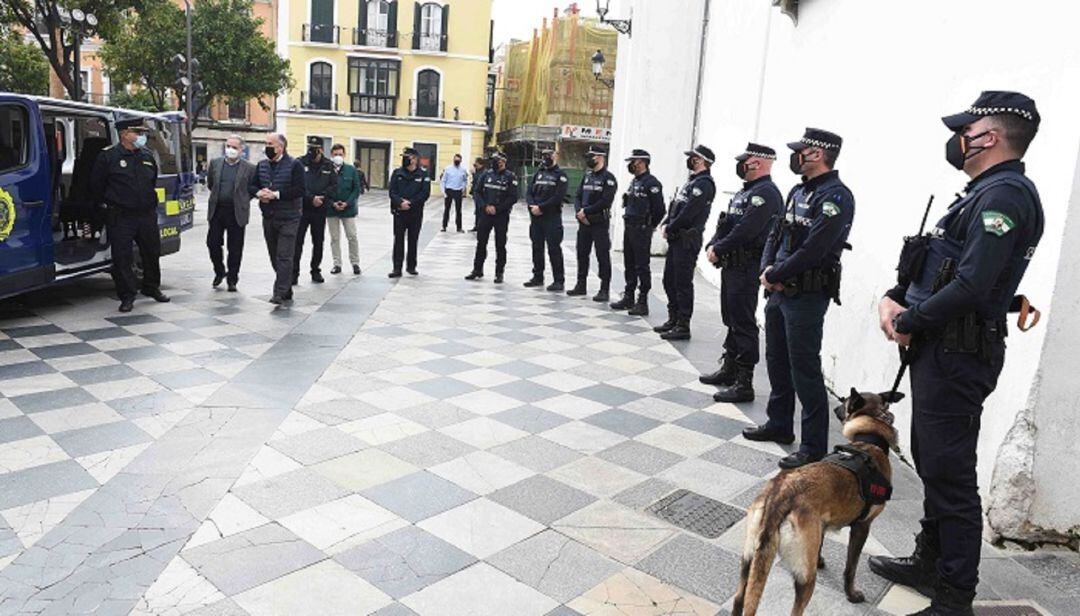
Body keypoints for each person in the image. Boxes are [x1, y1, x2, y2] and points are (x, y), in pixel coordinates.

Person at [870, 92, 1044, 616]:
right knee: (934, 461)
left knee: (951, 475)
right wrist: (898, 295)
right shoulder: (984, 192)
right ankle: (930, 561)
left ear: (988, 137)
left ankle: (954, 597)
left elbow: (971, 286)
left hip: (958, 352)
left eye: (966, 129)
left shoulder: (1004, 196)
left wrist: (908, 320)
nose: (958, 138)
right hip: (944, 348)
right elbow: (946, 271)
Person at [741, 128, 854, 470]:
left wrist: (774, 274)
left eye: (800, 151)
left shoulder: (836, 197)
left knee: (804, 368)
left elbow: (815, 249)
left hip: (806, 295)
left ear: (817, 154)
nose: (796, 156)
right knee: (776, 360)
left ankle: (813, 445)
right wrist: (767, 268)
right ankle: (779, 422)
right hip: (778, 291)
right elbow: (776, 234)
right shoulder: (797, 190)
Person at [700, 143, 783, 402]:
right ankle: (730, 368)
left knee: (743, 321)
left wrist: (720, 248)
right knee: (731, 317)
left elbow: (747, 229)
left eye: (744, 161)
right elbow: (727, 223)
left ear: (756, 162)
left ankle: (744, 382)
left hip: (746, 266)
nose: (741, 165)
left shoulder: (766, 194)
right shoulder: (744, 192)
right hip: (732, 265)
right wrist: (713, 244)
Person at [89, 117, 171, 313]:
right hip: (121, 216)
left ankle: (151, 287)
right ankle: (127, 295)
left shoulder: (147, 155)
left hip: (146, 215)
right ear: (125, 134)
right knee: (122, 257)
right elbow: (96, 186)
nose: (142, 136)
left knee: (151, 252)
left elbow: (151, 182)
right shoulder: (108, 156)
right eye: (138, 132)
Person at [654, 145, 717, 340]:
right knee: (669, 280)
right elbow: (676, 207)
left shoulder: (704, 184)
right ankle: (673, 318)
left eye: (693, 158)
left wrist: (670, 227)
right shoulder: (691, 182)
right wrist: (666, 223)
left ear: (701, 160)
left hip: (686, 239)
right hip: (676, 238)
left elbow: (689, 212)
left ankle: (683, 324)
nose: (690, 160)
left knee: (682, 283)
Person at [250, 133, 305, 304]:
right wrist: (259, 193)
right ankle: (286, 287)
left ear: (281, 147)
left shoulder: (295, 165)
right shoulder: (262, 165)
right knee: (274, 255)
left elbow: (300, 190)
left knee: (284, 255)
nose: (267, 147)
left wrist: (276, 195)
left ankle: (279, 292)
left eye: (270, 144)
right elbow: (251, 185)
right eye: (266, 143)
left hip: (289, 217)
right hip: (268, 216)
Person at [610, 149, 665, 316]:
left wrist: (650, 226)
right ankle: (628, 296)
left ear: (642, 162)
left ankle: (642, 301)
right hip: (630, 227)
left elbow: (660, 210)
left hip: (641, 229)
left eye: (633, 161)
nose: (631, 164)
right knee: (629, 263)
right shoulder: (635, 181)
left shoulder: (652, 183)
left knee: (642, 265)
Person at [205, 135, 255, 293]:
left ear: (241, 150)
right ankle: (219, 271)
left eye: (234, 147)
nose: (230, 150)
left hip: (236, 212)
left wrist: (243, 200)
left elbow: (252, 189)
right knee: (213, 243)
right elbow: (211, 183)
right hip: (217, 210)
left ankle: (232, 278)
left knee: (235, 247)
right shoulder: (215, 164)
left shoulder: (250, 168)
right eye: (228, 146)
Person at [569, 145, 617, 302]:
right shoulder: (587, 176)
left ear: (601, 157)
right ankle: (580, 285)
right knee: (582, 253)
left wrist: (586, 211)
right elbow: (577, 196)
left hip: (599, 222)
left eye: (593, 156)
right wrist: (579, 212)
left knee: (602, 255)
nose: (589, 159)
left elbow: (605, 201)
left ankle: (604, 289)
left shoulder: (608, 179)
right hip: (584, 222)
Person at [466, 152, 519, 283]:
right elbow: (477, 192)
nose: (496, 163)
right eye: (494, 160)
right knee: (481, 242)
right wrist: (484, 206)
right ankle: (477, 269)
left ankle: (499, 272)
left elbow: (513, 197)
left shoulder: (510, 177)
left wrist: (498, 208)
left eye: (498, 161)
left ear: (503, 162)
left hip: (501, 215)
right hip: (485, 214)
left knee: (500, 244)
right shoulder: (486, 174)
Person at [293, 137, 337, 285]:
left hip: (320, 209)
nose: (312, 151)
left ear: (321, 150)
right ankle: (294, 273)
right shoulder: (300, 162)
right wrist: (311, 198)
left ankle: (315, 270)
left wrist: (323, 198)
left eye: (316, 149)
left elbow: (333, 185)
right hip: (303, 208)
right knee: (297, 241)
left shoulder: (328, 165)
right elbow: (297, 185)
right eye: (310, 148)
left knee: (318, 242)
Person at [523, 148, 568, 291]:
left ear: (556, 156)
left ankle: (558, 281)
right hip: (536, 218)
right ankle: (537, 276)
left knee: (554, 249)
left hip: (551, 217)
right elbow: (529, 192)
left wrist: (541, 207)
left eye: (549, 155)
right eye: (543, 155)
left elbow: (558, 197)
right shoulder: (539, 173)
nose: (545, 157)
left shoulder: (561, 176)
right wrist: (532, 206)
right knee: (537, 247)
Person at [388, 147, 431, 277]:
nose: (406, 159)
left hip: (415, 213)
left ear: (415, 159)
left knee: (413, 239)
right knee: (398, 240)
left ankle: (411, 266)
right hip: (400, 211)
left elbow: (424, 194)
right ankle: (397, 268)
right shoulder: (397, 173)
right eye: (404, 157)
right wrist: (400, 202)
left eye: (409, 157)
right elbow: (392, 191)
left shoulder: (423, 174)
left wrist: (410, 203)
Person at [327, 144, 362, 276]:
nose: (338, 157)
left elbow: (356, 189)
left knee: (352, 236)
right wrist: (332, 203)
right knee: (334, 238)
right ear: (331, 155)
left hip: (348, 210)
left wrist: (347, 203)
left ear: (344, 155)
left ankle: (355, 263)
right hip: (332, 210)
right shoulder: (327, 170)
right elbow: (323, 189)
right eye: (335, 154)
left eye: (340, 154)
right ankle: (337, 264)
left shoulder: (351, 170)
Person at [440, 153, 468, 232]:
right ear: (453, 160)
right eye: (455, 160)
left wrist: (462, 188)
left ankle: (459, 227)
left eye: (458, 160)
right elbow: (443, 180)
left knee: (458, 210)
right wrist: (444, 192)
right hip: (449, 190)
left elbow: (465, 180)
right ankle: (444, 226)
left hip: (458, 191)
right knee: (447, 209)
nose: (457, 161)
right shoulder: (448, 169)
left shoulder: (463, 170)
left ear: (461, 161)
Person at [468, 156, 486, 233]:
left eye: (476, 163)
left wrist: (473, 174)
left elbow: (478, 181)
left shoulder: (483, 172)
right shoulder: (479, 171)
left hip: (481, 195)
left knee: (480, 210)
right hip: (476, 193)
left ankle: (480, 226)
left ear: (479, 163)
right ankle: (476, 226)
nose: (474, 164)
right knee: (477, 211)